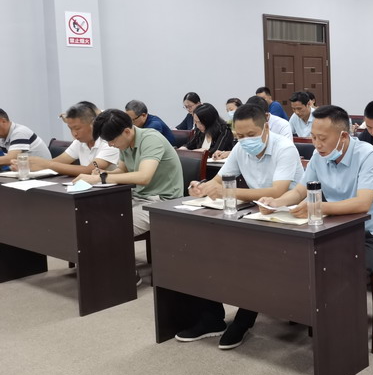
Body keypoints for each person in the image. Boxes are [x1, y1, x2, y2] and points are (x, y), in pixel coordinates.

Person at [176, 103, 305, 349]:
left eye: (251, 134)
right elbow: (219, 180)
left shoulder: (285, 148)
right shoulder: (240, 148)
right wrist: (202, 187)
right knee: (202, 247)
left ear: (266, 128)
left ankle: (244, 319)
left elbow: (277, 191)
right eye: (240, 135)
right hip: (255, 214)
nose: (245, 140)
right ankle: (211, 318)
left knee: (249, 257)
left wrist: (230, 191)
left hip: (288, 218)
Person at [257, 104, 373, 284]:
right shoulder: (318, 155)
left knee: (340, 271)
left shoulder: (367, 155)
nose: (317, 144)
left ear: (343, 136)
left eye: (322, 138)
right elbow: (299, 191)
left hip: (370, 237)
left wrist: (317, 207)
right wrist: (276, 203)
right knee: (295, 261)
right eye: (313, 137)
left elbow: (362, 203)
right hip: (334, 231)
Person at [75, 109, 183, 238]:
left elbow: (144, 177)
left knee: (111, 229)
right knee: (89, 218)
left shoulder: (151, 139)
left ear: (127, 131)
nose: (110, 145)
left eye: (112, 140)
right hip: (136, 197)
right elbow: (122, 170)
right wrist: (104, 173)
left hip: (162, 202)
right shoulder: (125, 142)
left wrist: (101, 178)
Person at [25, 102, 119, 175]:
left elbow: (90, 170)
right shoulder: (80, 142)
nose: (74, 133)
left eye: (77, 128)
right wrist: (32, 164)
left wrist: (48, 165)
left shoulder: (110, 141)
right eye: (70, 129)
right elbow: (59, 161)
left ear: (93, 124)